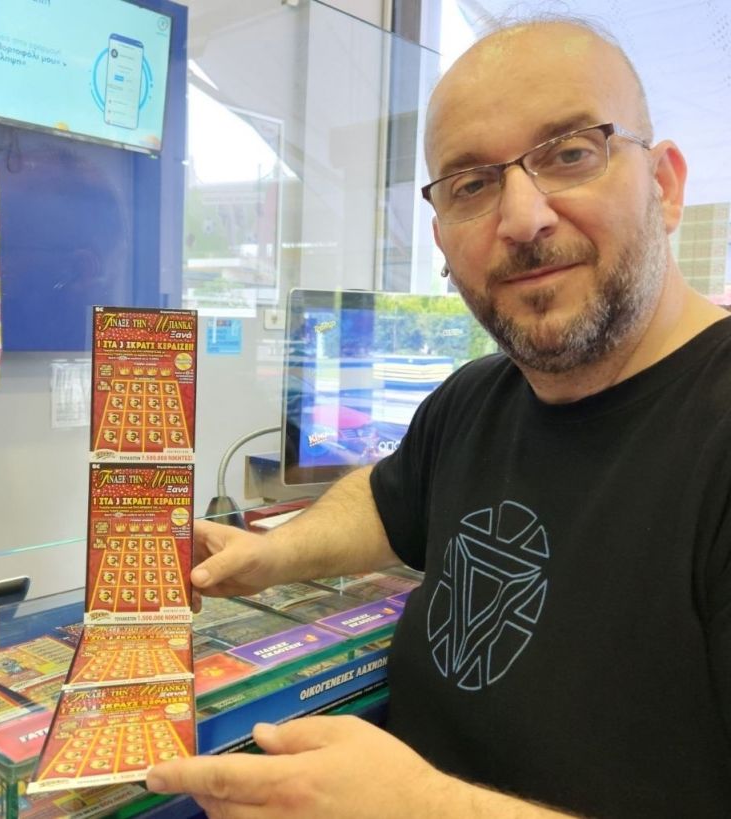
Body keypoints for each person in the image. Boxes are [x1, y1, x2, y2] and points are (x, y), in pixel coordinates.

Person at [146, 16, 731, 818]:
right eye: (472, 185)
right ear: (442, 238)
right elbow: (390, 500)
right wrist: (270, 555)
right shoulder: (477, 397)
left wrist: (421, 806)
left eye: (569, 153)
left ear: (664, 185)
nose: (522, 218)